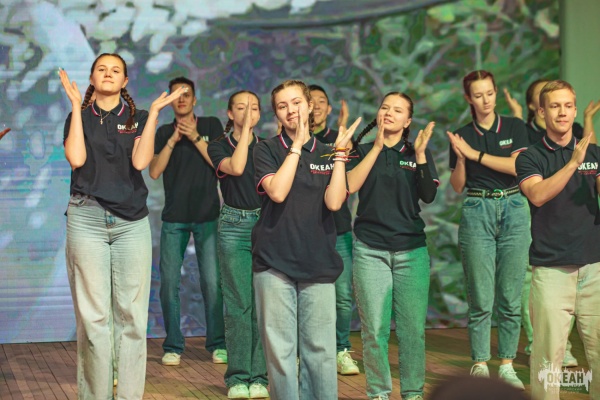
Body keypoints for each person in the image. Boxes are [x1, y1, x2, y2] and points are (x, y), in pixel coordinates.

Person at [59, 53, 186, 399]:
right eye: (101, 69)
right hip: (87, 218)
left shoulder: (138, 117)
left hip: (131, 223)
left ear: (125, 81)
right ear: (92, 78)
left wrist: (155, 114)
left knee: (132, 318)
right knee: (94, 319)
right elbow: (76, 159)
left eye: (115, 70)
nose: (108, 74)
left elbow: (141, 162)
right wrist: (75, 107)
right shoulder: (78, 116)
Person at [251, 79, 363, 400]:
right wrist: (297, 147)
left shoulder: (327, 151)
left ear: (310, 105)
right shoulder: (266, 149)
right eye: (282, 106)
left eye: (296, 102)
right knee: (281, 352)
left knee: (321, 351)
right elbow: (277, 191)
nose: (291, 110)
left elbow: (334, 202)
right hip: (274, 262)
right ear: (276, 113)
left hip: (318, 261)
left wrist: (339, 156)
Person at [504, 80, 600, 367]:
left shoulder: (593, 153)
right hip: (551, 268)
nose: (563, 112)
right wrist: (571, 164)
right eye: (555, 106)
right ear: (542, 112)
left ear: (575, 111)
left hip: (594, 267)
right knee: (548, 359)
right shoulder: (530, 157)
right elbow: (537, 194)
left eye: (568, 106)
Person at [349, 92, 438, 400]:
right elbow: (349, 186)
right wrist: (374, 148)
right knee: (374, 329)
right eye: (385, 107)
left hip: (411, 251)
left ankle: (413, 393)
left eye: (397, 110)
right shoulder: (362, 151)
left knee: (412, 330)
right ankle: (378, 392)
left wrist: (421, 155)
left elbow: (428, 195)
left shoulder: (417, 153)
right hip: (369, 249)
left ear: (408, 121)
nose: (389, 112)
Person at [446, 70, 530, 389]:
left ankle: (507, 364)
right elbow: (457, 185)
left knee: (510, 295)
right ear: (468, 98)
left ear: (496, 92)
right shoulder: (462, 134)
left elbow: (518, 167)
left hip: (513, 206)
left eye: (490, 93)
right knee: (481, 296)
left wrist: (475, 155)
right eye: (478, 95)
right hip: (477, 207)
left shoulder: (514, 126)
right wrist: (462, 159)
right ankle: (480, 362)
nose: (486, 100)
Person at [149, 76, 226, 367]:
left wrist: (194, 137)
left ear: (194, 99)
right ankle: (173, 346)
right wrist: (172, 140)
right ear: (170, 100)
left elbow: (220, 165)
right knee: (169, 283)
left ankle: (217, 343)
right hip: (174, 218)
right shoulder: (163, 132)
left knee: (212, 282)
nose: (181, 99)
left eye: (186, 94)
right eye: (176, 95)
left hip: (207, 216)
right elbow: (154, 171)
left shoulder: (211, 126)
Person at [207, 91, 269, 399]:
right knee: (238, 305)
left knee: (262, 305)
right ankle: (237, 378)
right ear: (230, 114)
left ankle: (260, 377)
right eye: (241, 108)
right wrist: (244, 133)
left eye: (254, 108)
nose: (248, 112)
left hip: (266, 226)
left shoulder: (268, 147)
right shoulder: (217, 145)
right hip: (233, 224)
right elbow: (237, 167)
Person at [308, 84, 359, 375]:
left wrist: (345, 142)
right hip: (305, 231)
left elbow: (351, 178)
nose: (316, 106)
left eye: (321, 101)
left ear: (329, 109)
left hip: (338, 228)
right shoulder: (297, 141)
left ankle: (341, 349)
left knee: (342, 296)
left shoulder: (340, 140)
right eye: (311, 101)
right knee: (307, 293)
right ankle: (305, 351)